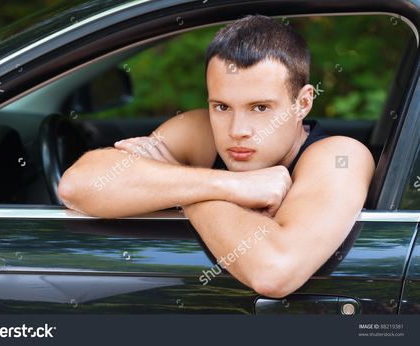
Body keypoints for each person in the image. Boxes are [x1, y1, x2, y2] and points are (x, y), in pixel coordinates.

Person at [58, 15, 375, 298]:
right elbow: (77, 186)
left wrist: (185, 187)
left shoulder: (340, 156)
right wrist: (232, 187)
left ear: (303, 103)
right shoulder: (201, 130)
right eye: (222, 106)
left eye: (260, 108)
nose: (237, 130)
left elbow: (273, 272)